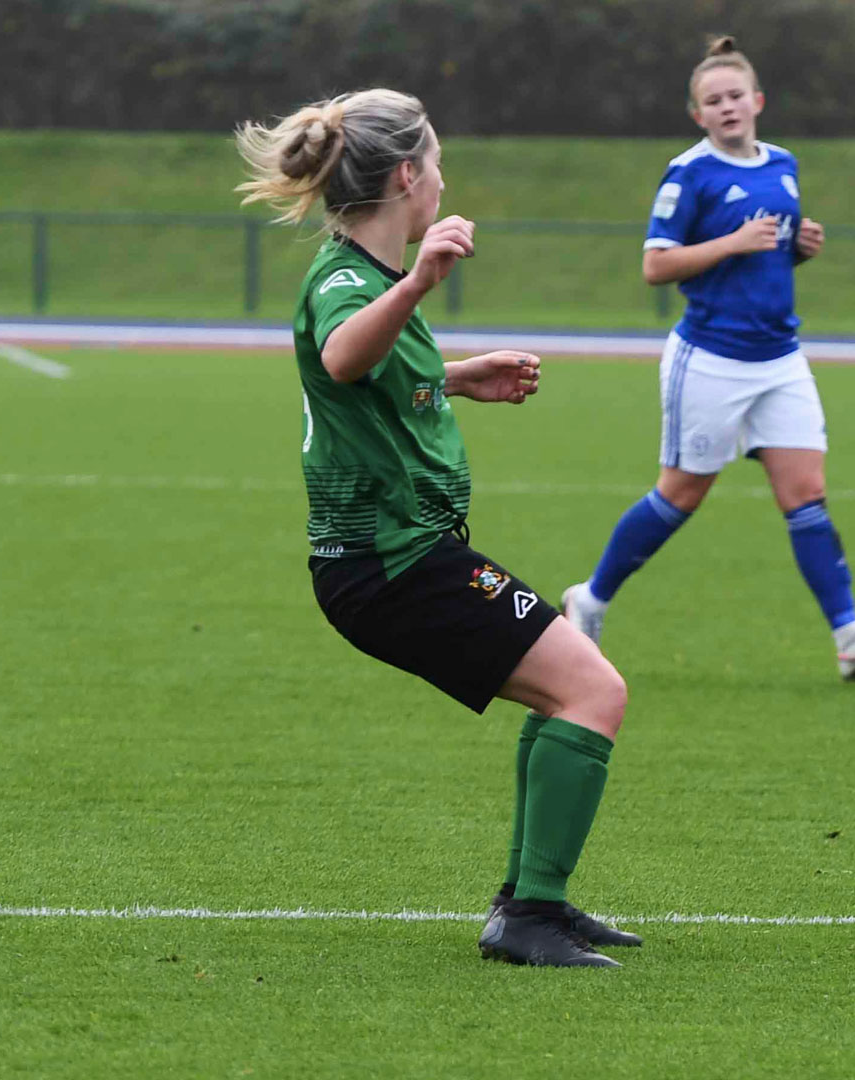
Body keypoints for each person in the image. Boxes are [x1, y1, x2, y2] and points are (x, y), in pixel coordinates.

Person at [237, 89, 641, 967]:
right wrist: (423, 280)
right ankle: (529, 916)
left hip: (403, 559)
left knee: (570, 681)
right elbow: (344, 356)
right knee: (593, 691)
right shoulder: (352, 278)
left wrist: (455, 378)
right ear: (409, 176)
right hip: (390, 565)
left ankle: (535, 904)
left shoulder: (366, 275)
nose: (445, 179)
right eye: (440, 163)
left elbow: (372, 375)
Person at [560, 36, 855, 682]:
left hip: (780, 357)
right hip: (711, 358)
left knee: (806, 494)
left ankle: (850, 636)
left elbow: (769, 253)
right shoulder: (688, 174)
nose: (726, 108)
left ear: (757, 100)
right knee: (683, 492)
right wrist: (732, 241)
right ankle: (590, 598)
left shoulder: (783, 163)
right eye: (712, 101)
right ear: (697, 114)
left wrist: (798, 248)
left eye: (734, 96)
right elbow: (655, 264)